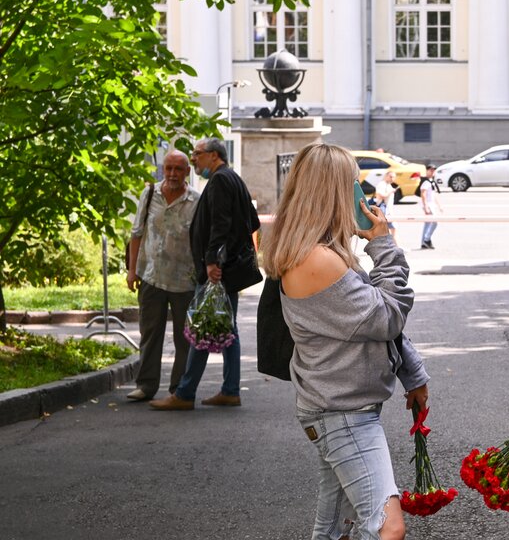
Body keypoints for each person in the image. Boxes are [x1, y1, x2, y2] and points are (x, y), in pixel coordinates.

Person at [262, 142, 430, 540]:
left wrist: (413, 373)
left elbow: (372, 319)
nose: (362, 194)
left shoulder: (323, 253)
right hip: (342, 414)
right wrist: (384, 243)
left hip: (336, 408)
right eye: (354, 185)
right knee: (387, 527)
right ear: (336, 192)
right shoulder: (316, 260)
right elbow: (387, 317)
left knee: (332, 528)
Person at [150, 137, 261, 410]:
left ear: (213, 155)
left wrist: (212, 260)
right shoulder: (232, 178)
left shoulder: (221, 181)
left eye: (197, 154)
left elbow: (220, 224)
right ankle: (230, 389)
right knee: (225, 327)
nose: (194, 159)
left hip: (218, 271)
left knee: (203, 325)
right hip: (228, 269)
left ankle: (185, 393)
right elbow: (253, 221)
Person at [126, 150, 200, 401]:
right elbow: (136, 234)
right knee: (149, 332)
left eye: (178, 169)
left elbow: (202, 240)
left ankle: (178, 388)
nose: (172, 174)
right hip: (151, 276)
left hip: (184, 280)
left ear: (187, 172)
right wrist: (131, 270)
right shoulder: (149, 195)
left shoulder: (196, 201)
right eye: (168, 168)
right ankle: (146, 385)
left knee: (184, 338)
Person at [420, 164, 442, 249]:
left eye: (434, 170)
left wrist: (439, 205)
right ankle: (426, 239)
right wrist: (425, 206)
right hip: (428, 205)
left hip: (432, 204)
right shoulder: (426, 181)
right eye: (431, 170)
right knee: (435, 222)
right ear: (427, 171)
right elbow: (423, 194)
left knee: (428, 224)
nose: (433, 172)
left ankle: (424, 242)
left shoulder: (431, 181)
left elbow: (434, 194)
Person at [374, 170, 398, 244]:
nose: (392, 178)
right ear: (386, 176)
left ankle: (394, 246)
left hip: (388, 211)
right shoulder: (382, 184)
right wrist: (391, 192)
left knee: (391, 229)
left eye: (393, 177)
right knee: (392, 228)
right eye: (390, 176)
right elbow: (380, 195)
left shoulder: (388, 185)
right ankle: (396, 246)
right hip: (384, 211)